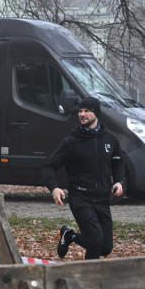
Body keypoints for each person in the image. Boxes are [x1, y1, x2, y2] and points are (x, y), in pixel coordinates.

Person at [43, 96, 125, 260]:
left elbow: (118, 162)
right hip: (80, 197)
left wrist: (119, 181)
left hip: (102, 198)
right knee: (95, 241)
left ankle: (70, 235)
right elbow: (49, 166)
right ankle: (90, 281)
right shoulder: (71, 141)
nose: (82, 114)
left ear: (95, 113)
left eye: (86, 111)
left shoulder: (110, 138)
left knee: (105, 247)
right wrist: (54, 187)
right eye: (80, 111)